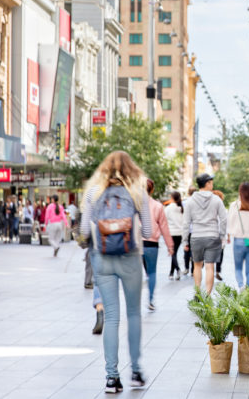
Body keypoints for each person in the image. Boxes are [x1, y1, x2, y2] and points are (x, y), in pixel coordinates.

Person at [80, 151, 154, 393]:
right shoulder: (137, 192)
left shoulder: (93, 193)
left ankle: (111, 378)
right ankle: (135, 372)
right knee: (133, 314)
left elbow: (83, 229)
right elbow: (147, 231)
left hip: (102, 258)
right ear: (131, 169)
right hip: (129, 257)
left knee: (111, 317)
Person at [184, 173, 227, 294]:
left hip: (196, 236)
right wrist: (222, 235)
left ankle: (198, 293)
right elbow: (223, 219)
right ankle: (207, 295)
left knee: (197, 265)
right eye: (211, 182)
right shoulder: (216, 199)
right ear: (207, 183)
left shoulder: (190, 201)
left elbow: (186, 223)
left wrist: (185, 241)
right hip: (212, 236)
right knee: (210, 266)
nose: (212, 184)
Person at [141, 181, 174, 310]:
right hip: (151, 244)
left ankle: (133, 300)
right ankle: (150, 300)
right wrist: (170, 246)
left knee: (134, 273)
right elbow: (164, 227)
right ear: (152, 190)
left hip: (135, 244)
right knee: (152, 272)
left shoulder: (133, 205)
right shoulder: (158, 206)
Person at [227, 183, 249, 289]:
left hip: (239, 240)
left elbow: (229, 221)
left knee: (238, 268)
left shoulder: (234, 205)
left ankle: (241, 286)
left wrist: (228, 235)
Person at [165, 192, 187, 280]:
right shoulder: (181, 208)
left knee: (172, 253)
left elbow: (164, 220)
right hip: (180, 233)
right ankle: (171, 273)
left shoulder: (168, 208)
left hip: (171, 233)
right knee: (174, 253)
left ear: (171, 197)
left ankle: (178, 270)